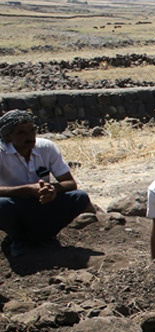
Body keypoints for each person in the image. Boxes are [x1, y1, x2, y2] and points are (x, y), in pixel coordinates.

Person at [0, 110, 92, 258]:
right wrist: (28, 190)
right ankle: (18, 240)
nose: (29, 136)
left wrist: (51, 189)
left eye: (32, 130)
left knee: (79, 197)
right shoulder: (1, 152)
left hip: (44, 201)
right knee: (1, 205)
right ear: (8, 136)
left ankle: (46, 237)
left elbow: (69, 183)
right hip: (15, 205)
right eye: (21, 132)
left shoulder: (46, 147)